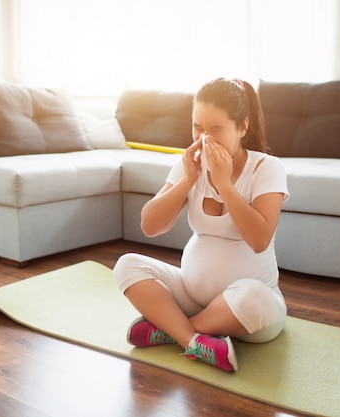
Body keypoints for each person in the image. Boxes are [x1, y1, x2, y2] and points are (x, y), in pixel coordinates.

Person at [113, 77, 289, 372]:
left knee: (254, 296)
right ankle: (195, 341)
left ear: (242, 127)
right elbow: (150, 225)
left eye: (216, 129)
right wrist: (188, 180)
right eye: (197, 127)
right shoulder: (188, 164)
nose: (204, 138)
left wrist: (224, 183)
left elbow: (259, 239)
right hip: (192, 298)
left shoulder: (267, 167)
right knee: (127, 265)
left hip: (249, 311)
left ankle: (173, 331)